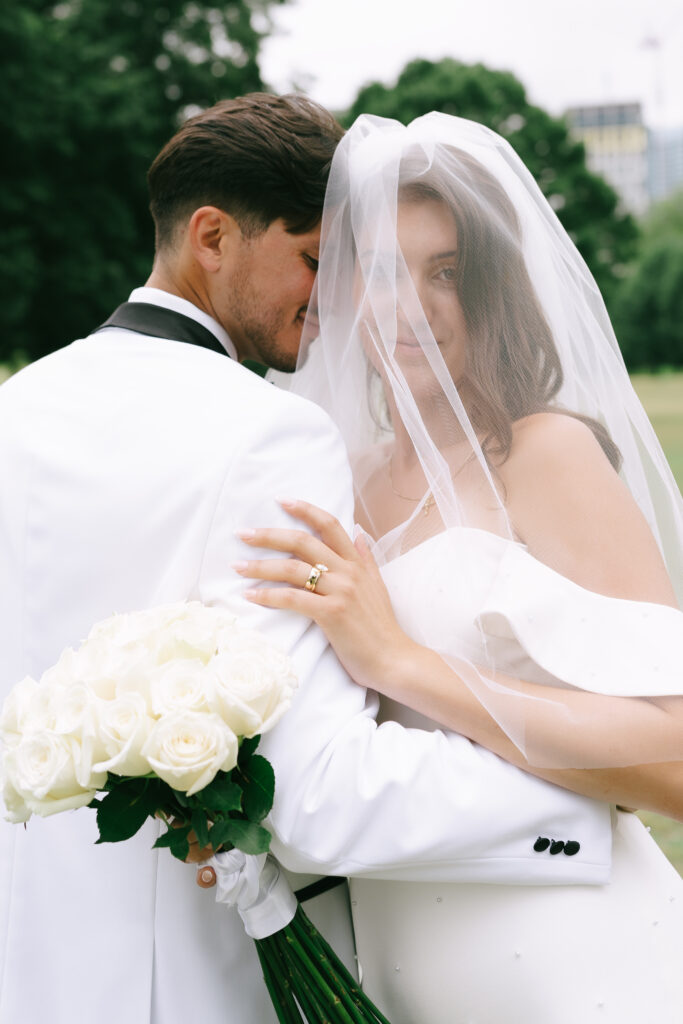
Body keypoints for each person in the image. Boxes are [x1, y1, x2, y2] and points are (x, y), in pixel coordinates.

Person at [0, 96, 626, 1024]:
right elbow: (318, 796)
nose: (333, 302)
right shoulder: (269, 433)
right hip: (184, 986)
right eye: (315, 262)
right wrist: (580, 797)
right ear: (211, 236)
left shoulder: (21, 407)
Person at [237, 113, 683, 1022]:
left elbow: (672, 757)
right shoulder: (332, 487)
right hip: (403, 970)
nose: (412, 307)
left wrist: (403, 665)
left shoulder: (543, 453)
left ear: (495, 291)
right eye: (382, 274)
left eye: (446, 273)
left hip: (579, 964)